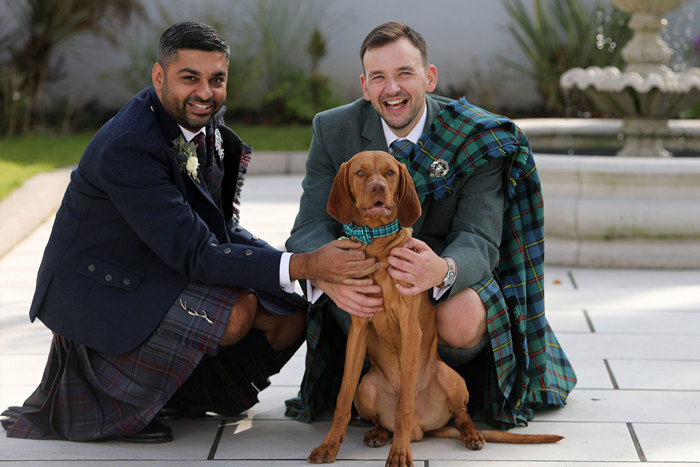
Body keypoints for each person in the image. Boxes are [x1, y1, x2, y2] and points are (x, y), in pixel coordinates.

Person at [0, 21, 376, 443]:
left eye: (217, 80)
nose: (205, 92)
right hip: (101, 286)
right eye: (189, 78)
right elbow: (197, 253)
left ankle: (184, 398)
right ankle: (120, 408)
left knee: (291, 307)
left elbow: (220, 228)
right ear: (158, 77)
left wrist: (299, 271)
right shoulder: (130, 146)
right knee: (235, 312)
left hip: (160, 261)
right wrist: (305, 263)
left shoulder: (199, 121)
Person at [285, 21, 577, 429]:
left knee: (461, 318)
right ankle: (381, 384)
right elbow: (308, 227)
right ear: (365, 86)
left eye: (405, 73)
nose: (392, 89)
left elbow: (478, 237)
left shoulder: (476, 134)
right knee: (321, 285)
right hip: (367, 283)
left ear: (429, 77)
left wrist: (443, 270)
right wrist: (329, 274)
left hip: (440, 284)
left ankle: (458, 385)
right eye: (379, 78)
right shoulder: (333, 130)